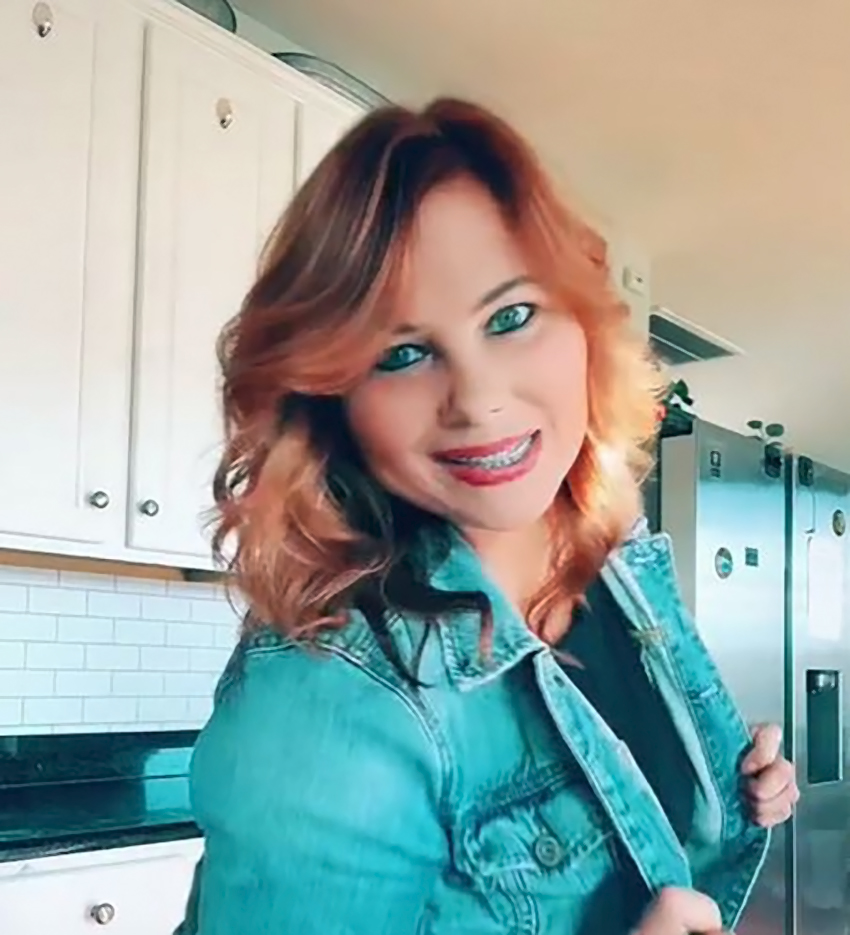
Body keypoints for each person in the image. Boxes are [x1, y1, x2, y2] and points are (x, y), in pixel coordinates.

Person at [178, 98, 798, 935]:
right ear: (332, 398)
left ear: (582, 324)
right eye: (403, 353)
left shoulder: (614, 549)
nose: (476, 399)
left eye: (510, 317)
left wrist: (726, 783)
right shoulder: (326, 695)